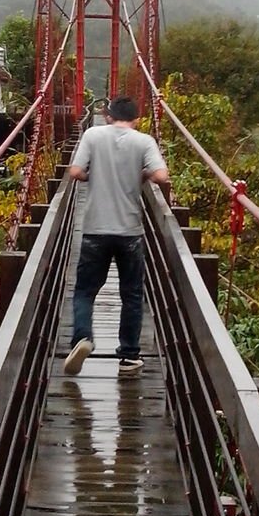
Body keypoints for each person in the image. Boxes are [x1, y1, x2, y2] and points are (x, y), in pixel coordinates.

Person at [64, 95, 168, 376]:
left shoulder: (93, 135)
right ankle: (129, 357)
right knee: (132, 295)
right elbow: (162, 177)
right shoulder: (144, 140)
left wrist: (92, 175)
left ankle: (83, 338)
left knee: (85, 291)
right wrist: (142, 173)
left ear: (109, 115)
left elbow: (75, 171)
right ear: (136, 119)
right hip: (130, 232)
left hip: (95, 229)